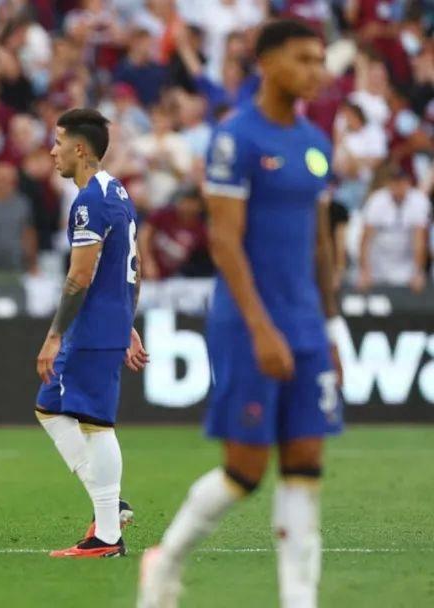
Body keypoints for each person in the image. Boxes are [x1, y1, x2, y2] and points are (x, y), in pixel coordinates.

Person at [138, 20, 345, 608]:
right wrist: (261, 328)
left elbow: (320, 244)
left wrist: (331, 327)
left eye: (320, 59)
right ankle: (165, 560)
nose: (316, 70)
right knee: (245, 471)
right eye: (304, 59)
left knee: (306, 464)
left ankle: (299, 599)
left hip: (305, 325)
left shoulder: (315, 142)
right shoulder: (236, 138)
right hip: (250, 323)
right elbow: (224, 243)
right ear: (268, 63)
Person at [33, 108, 148, 559]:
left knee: (95, 424)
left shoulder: (90, 202)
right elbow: (131, 266)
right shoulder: (115, 190)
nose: (52, 151)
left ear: (80, 149)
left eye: (58, 142)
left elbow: (80, 276)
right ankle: (109, 506)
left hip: (92, 326)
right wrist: (127, 321)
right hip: (107, 320)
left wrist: (54, 335)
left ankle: (106, 536)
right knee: (49, 406)